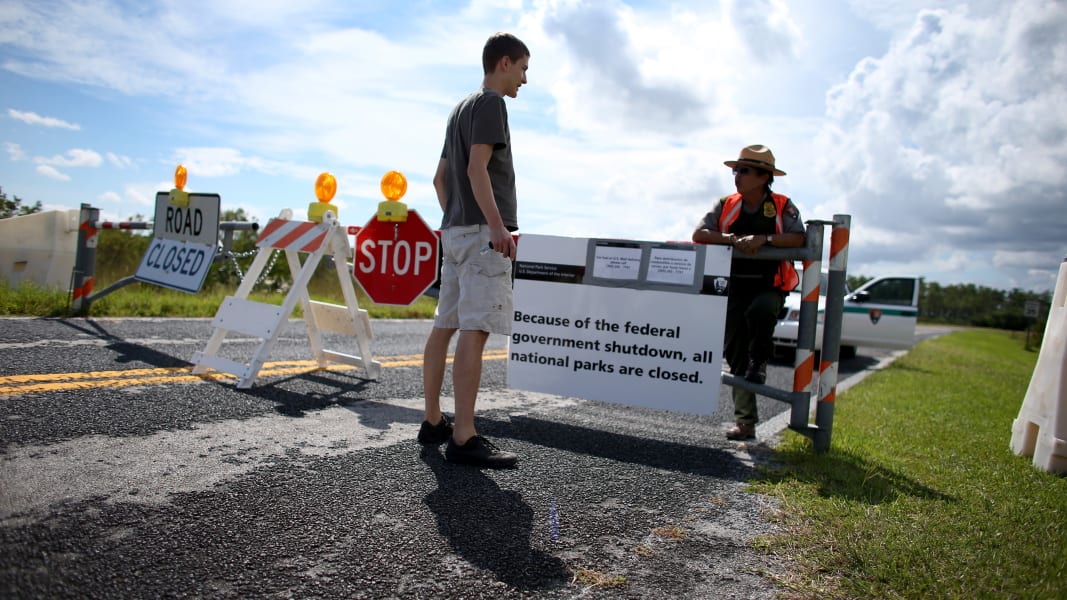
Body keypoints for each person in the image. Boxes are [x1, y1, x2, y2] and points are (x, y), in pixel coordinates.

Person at [417, 32, 530, 468]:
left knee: (445, 324)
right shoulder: (491, 104)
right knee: (475, 329)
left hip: (456, 230)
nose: (524, 79)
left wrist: (456, 221)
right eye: (522, 68)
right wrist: (496, 227)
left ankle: (433, 420)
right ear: (504, 62)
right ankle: (463, 436)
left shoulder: (458, 109)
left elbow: (440, 179)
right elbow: (475, 167)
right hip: (482, 232)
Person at [692, 145, 805, 441]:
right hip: (732, 287)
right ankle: (746, 422)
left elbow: (800, 237)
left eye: (743, 170)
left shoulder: (782, 205)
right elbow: (700, 234)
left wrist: (764, 239)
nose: (736, 176)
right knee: (735, 354)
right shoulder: (726, 203)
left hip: (770, 286)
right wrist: (731, 239)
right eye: (735, 170)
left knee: (761, 310)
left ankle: (761, 358)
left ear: (764, 176)